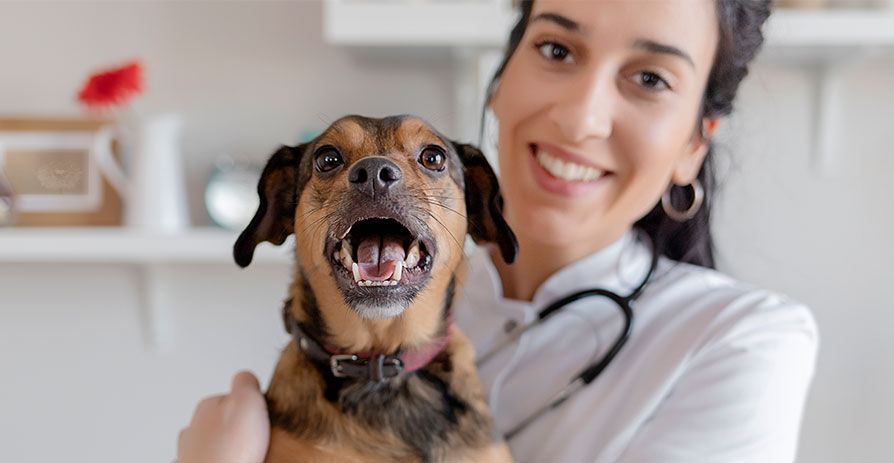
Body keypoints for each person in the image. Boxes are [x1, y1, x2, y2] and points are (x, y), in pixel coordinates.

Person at [177, 0, 818, 461]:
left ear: (693, 146)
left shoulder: (744, 340)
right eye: (556, 49)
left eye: (650, 78)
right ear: (499, 84)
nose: (580, 116)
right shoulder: (366, 301)